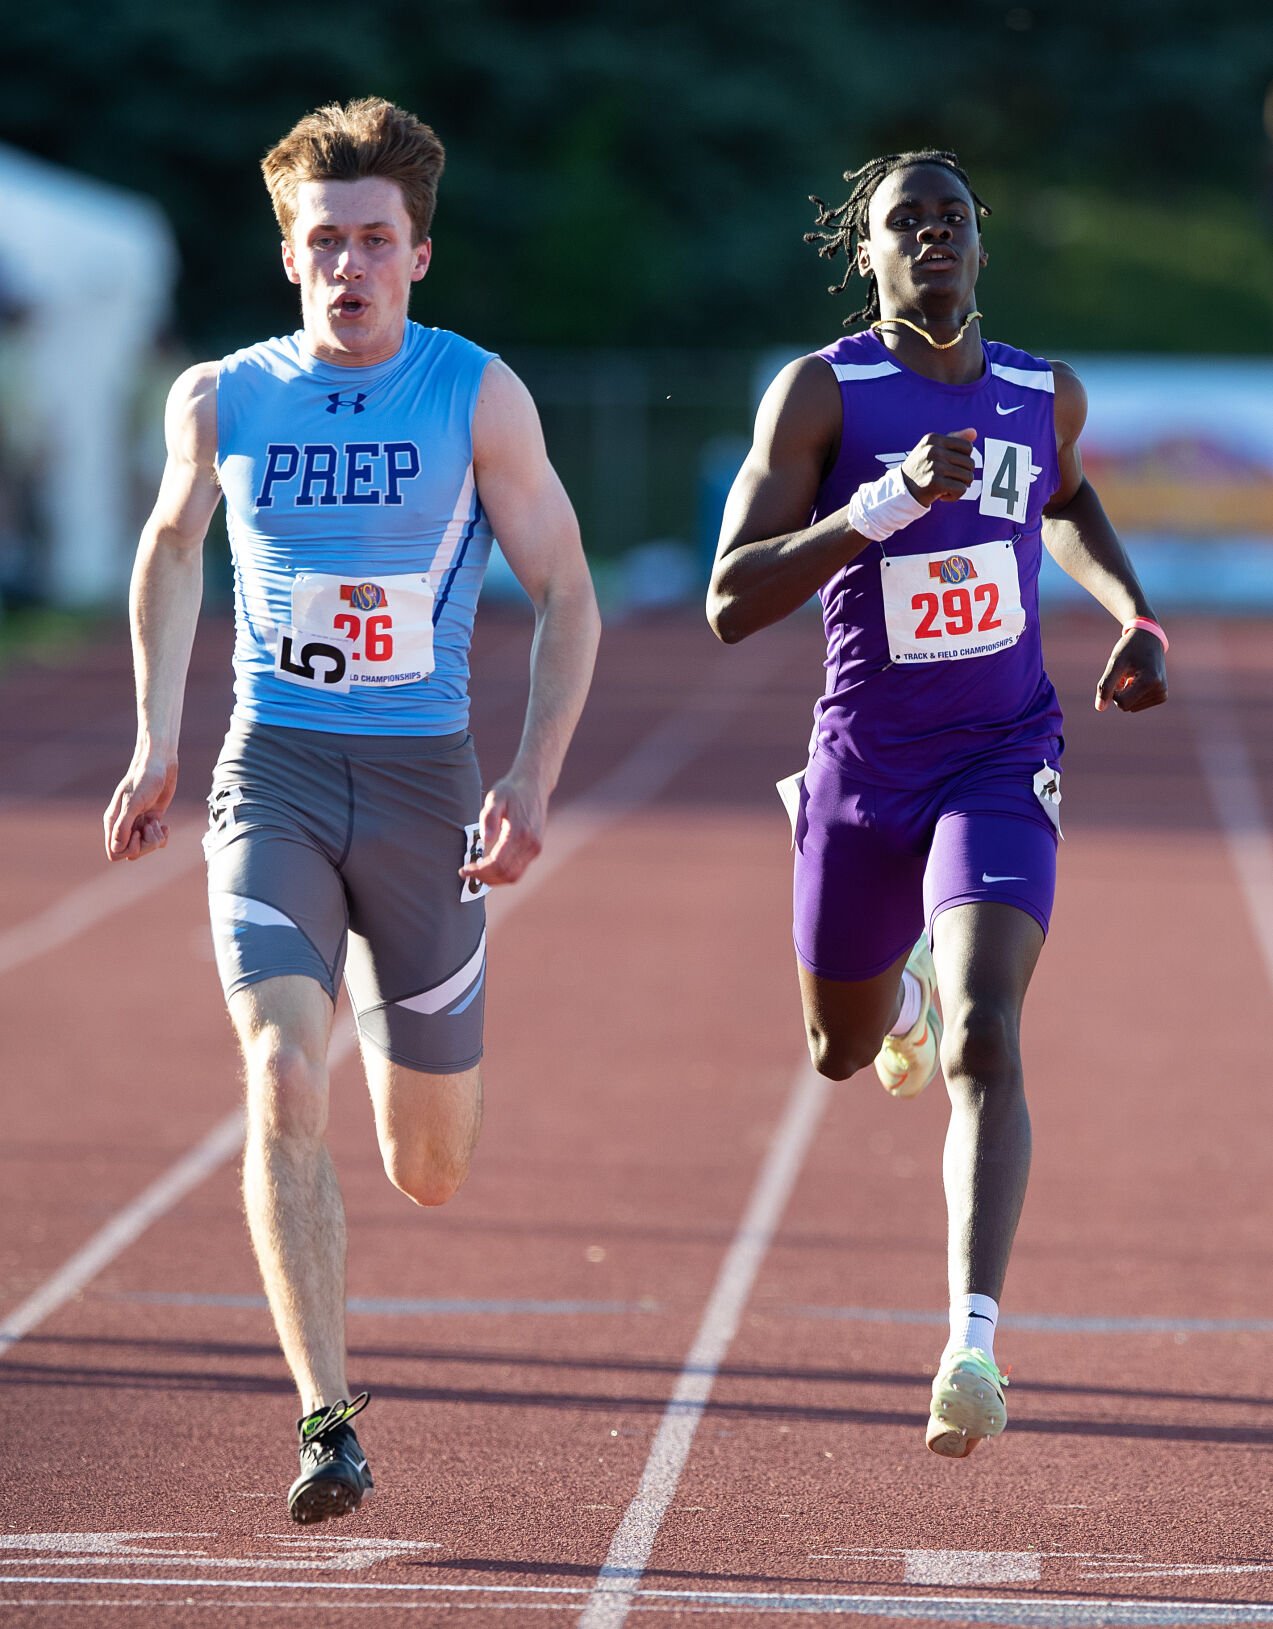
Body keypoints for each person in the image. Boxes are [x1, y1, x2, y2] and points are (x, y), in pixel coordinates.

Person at [103, 98, 600, 1520]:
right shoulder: (223, 396)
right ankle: (327, 1418)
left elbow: (567, 592)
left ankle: (421, 1037)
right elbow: (168, 542)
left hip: (426, 784)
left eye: (374, 240)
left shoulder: (475, 393)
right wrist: (156, 738)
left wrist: (528, 775)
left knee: (427, 1167)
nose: (349, 265)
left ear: (419, 254)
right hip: (274, 772)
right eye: (324, 241)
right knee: (278, 1068)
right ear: (288, 255)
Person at [706, 149, 1166, 1458]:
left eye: (951, 217)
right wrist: (887, 497)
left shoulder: (1037, 391)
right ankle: (888, 995)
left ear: (980, 241)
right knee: (840, 1053)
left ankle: (969, 1344)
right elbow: (729, 599)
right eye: (903, 223)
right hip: (863, 767)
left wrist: (1128, 611)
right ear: (868, 256)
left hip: (1000, 753)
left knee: (986, 1033)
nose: (932, 237)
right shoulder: (821, 394)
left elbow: (1067, 498)